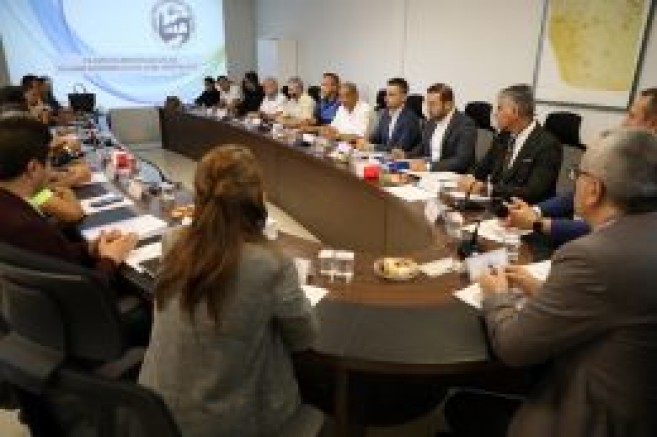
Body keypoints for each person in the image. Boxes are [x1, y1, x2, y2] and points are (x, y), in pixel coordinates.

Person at [446, 128, 657, 437]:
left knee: (461, 407)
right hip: (640, 403)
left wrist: (497, 295)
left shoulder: (591, 256)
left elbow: (513, 348)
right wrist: (544, 290)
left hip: (593, 415)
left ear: (594, 190)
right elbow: (615, 303)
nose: (574, 182)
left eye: (577, 174)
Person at [139, 145, 318, 437]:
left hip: (157, 413)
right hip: (231, 423)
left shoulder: (172, 241)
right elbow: (303, 337)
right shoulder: (270, 263)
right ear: (258, 198)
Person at [504, 87, 657, 246]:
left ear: (654, 125)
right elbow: (575, 195)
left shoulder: (646, 173)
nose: (623, 123)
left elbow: (610, 227)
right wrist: (533, 211)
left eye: (632, 116)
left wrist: (537, 223)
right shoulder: (635, 159)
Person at [0, 115, 137, 285]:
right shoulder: (26, 228)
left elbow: (51, 257)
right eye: (48, 161)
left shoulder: (11, 207)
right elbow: (88, 292)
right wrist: (110, 260)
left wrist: (90, 249)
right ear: (33, 168)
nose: (50, 170)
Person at [457, 84, 562, 203]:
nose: (495, 113)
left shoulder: (547, 145)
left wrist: (487, 189)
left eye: (500, 108)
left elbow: (532, 192)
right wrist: (468, 178)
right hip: (495, 205)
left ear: (515, 112)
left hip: (524, 210)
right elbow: (482, 168)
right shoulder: (503, 136)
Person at [408, 83, 476, 172]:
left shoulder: (465, 124)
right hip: (428, 173)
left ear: (448, 105)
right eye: (427, 104)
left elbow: (462, 160)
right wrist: (405, 155)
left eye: (433, 104)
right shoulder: (431, 121)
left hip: (453, 175)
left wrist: (429, 167)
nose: (428, 109)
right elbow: (423, 147)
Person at [368, 77, 421, 157]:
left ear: (403, 97)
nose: (386, 98)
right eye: (386, 94)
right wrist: (365, 142)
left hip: (403, 161)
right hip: (384, 158)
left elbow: (399, 148)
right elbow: (375, 138)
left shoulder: (410, 119)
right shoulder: (385, 114)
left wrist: (373, 147)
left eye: (391, 95)